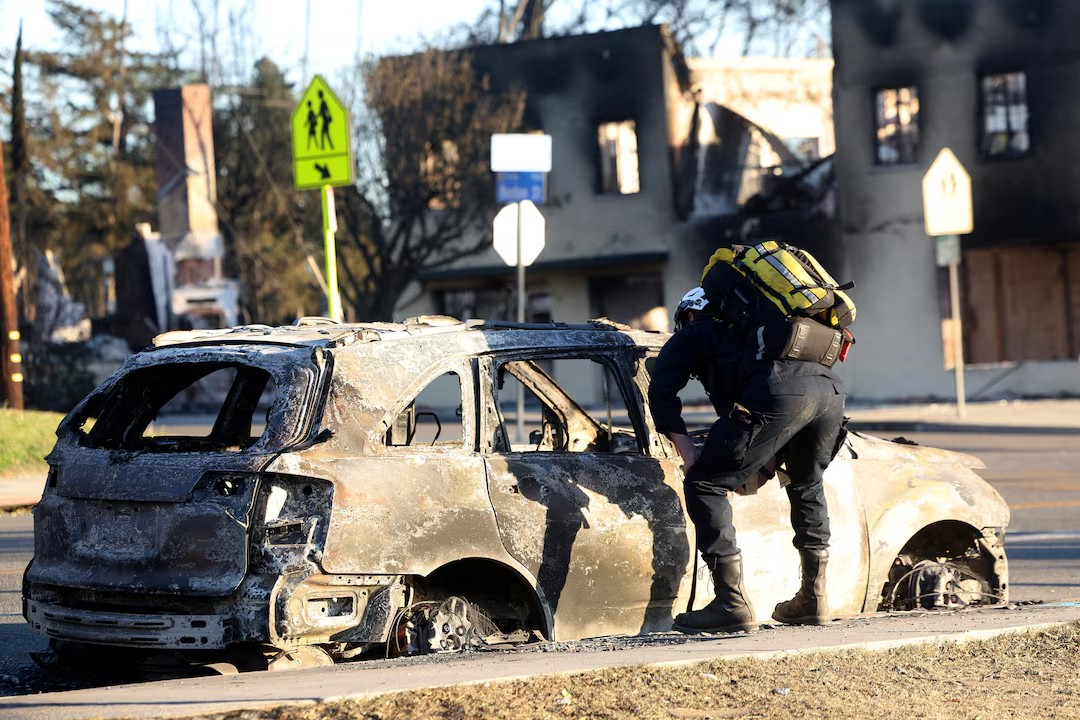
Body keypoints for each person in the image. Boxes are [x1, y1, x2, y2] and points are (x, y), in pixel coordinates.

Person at [649, 286, 847, 633]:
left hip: (780, 393)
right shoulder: (759, 334)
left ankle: (731, 603)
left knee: (705, 483)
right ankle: (813, 599)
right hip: (830, 393)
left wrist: (689, 453)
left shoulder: (699, 330)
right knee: (805, 482)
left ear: (691, 314)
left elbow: (661, 389)